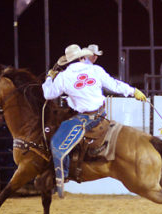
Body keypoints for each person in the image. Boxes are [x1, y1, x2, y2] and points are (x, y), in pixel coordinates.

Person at [42, 44, 147, 198]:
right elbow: (114, 85)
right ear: (82, 57)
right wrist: (133, 91)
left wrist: (49, 78)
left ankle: (63, 174)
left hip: (85, 117)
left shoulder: (63, 77)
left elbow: (48, 94)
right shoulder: (95, 70)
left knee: (58, 141)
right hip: (100, 113)